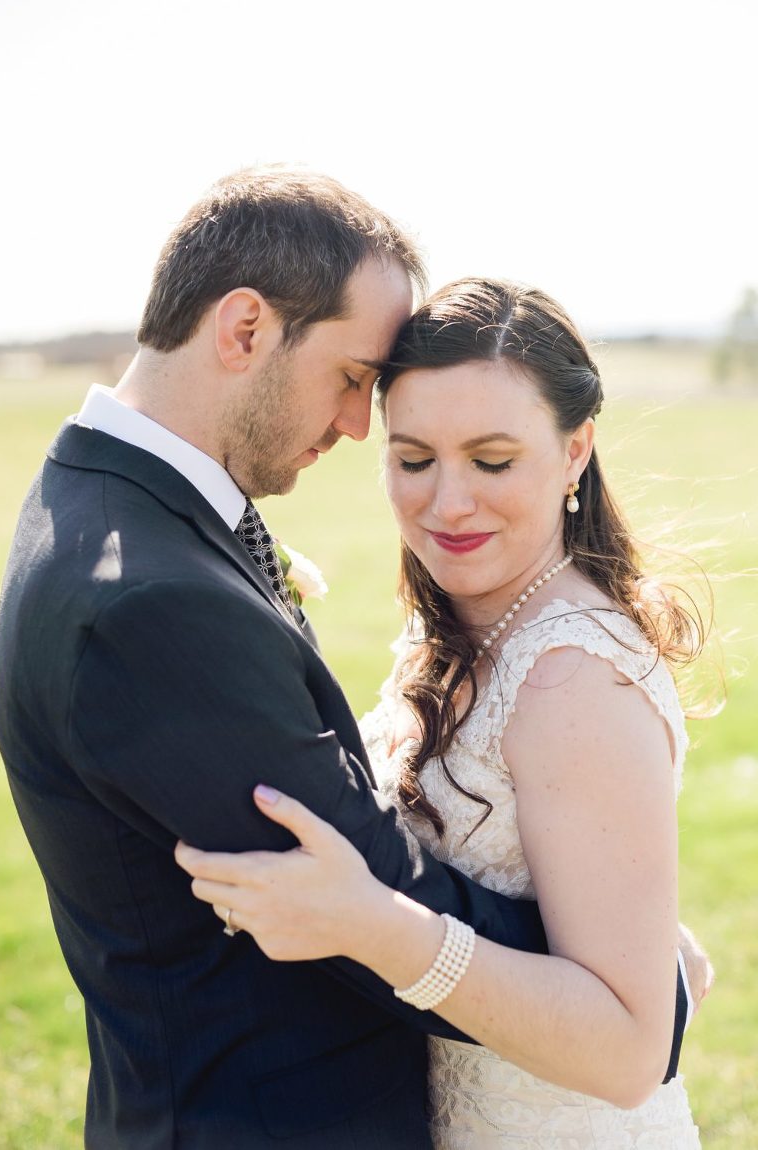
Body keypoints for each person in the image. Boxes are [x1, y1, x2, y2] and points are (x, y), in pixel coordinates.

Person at [0, 167, 649, 1150]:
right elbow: (364, 881)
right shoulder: (153, 598)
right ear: (246, 329)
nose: (356, 427)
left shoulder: (102, 502)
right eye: (353, 379)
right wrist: (614, 972)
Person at [175, 278, 707, 1147]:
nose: (446, 503)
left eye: (492, 461)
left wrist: (373, 926)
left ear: (575, 451)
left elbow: (627, 1053)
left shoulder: (571, 675)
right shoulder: (461, 620)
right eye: (414, 459)